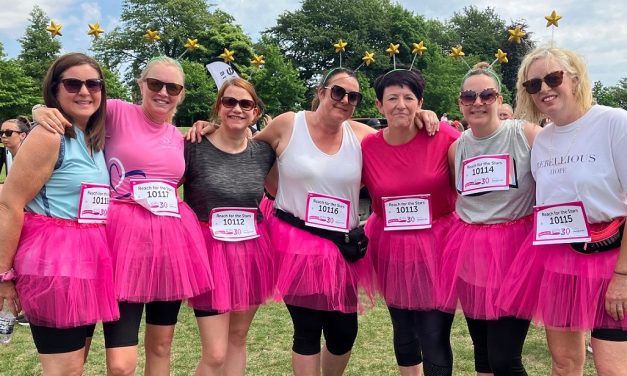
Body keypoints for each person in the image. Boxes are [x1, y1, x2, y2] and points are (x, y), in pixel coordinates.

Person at [33, 55, 214, 376]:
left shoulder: (181, 137)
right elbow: (77, 106)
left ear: (182, 93)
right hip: (121, 245)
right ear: (141, 85)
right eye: (155, 84)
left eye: (173, 87)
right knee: (120, 364)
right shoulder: (116, 111)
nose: (164, 92)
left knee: (161, 347)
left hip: (170, 247)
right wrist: (41, 110)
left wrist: (206, 125)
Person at [498, 47, 627, 375]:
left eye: (552, 78)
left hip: (612, 259)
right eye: (533, 85)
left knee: (613, 367)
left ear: (575, 78)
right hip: (560, 258)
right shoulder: (543, 140)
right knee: (564, 363)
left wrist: (623, 278)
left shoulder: (614, 122)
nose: (544, 89)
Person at [0, 52, 118, 375]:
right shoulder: (49, 136)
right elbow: (9, 202)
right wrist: (3, 276)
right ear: (55, 90)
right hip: (54, 264)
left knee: (74, 366)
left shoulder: (92, 138)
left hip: (87, 263)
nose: (84, 91)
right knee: (64, 370)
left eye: (93, 83)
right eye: (72, 83)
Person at [438, 62, 540, 375]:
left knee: (505, 360)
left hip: (515, 256)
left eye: (486, 94)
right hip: (470, 255)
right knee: (482, 354)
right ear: (460, 103)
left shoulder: (526, 135)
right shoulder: (457, 149)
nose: (478, 102)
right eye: (469, 96)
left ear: (499, 98)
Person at [361, 69, 459, 375]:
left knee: (433, 335)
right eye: (392, 98)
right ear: (379, 106)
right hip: (390, 247)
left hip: (438, 246)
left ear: (420, 102)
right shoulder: (367, 147)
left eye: (409, 97)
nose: (400, 105)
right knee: (403, 331)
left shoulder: (443, 136)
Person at [184, 77, 275, 375]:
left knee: (237, 339)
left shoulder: (264, 152)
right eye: (229, 102)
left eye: (245, 104)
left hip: (250, 255)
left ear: (255, 113)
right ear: (219, 107)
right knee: (215, 352)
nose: (237, 108)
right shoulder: (194, 147)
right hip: (208, 256)